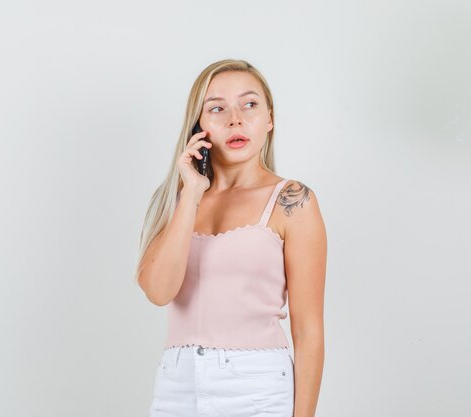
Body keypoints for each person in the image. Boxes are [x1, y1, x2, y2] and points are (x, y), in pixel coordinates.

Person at [134, 59, 327, 417]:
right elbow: (159, 292)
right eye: (217, 109)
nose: (235, 120)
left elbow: (309, 331)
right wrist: (192, 192)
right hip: (176, 389)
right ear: (199, 126)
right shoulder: (177, 200)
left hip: (257, 389)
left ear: (270, 118)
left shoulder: (292, 201)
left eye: (250, 104)